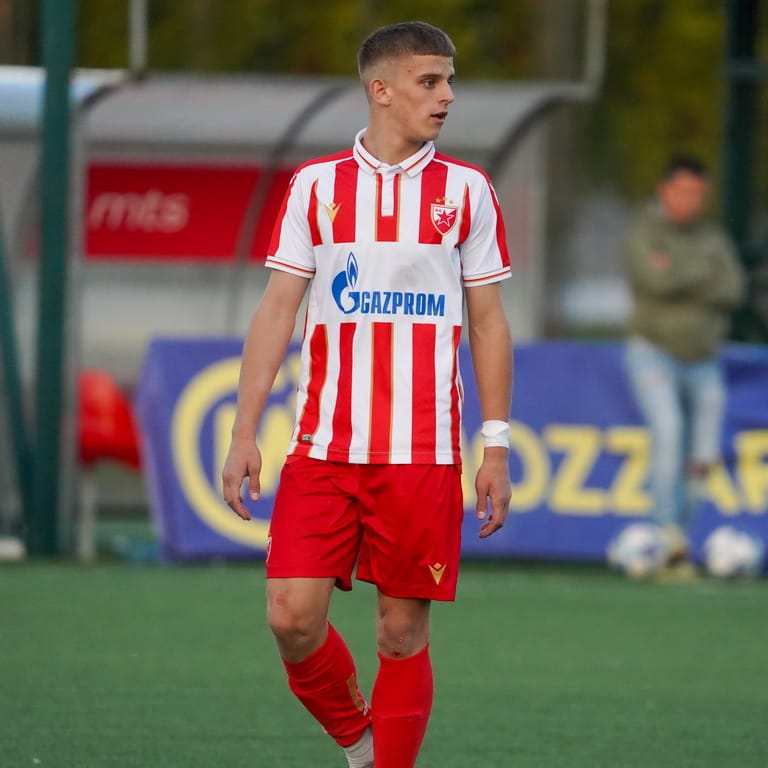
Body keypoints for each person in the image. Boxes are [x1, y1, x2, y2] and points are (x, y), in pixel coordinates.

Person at [221, 21, 513, 768]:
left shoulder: (467, 191)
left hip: (422, 453)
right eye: (429, 81)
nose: (446, 96)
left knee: (400, 633)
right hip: (324, 447)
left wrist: (495, 446)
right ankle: (361, 744)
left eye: (449, 82)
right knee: (291, 617)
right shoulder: (315, 187)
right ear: (380, 90)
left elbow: (488, 322)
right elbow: (277, 310)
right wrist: (244, 431)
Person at [623, 154, 745, 567]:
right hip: (653, 351)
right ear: (665, 190)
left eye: (699, 193)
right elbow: (655, 280)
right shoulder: (645, 230)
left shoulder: (712, 235)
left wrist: (679, 272)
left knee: (703, 452)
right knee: (669, 432)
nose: (693, 201)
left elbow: (734, 288)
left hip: (705, 359)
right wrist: (704, 273)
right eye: (685, 191)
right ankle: (664, 534)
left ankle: (682, 540)